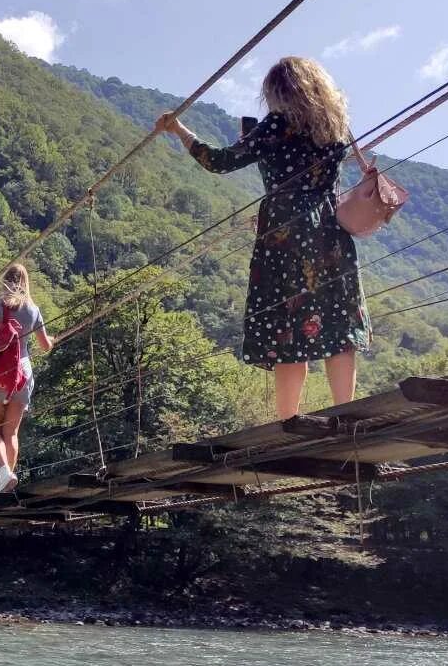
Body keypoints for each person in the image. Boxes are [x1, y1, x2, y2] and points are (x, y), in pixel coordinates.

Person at [156, 56, 370, 421]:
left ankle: (289, 420)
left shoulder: (276, 125)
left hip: (285, 235)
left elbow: (219, 161)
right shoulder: (335, 125)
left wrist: (179, 129)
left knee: (287, 331)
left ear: (278, 92)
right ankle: (345, 413)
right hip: (330, 231)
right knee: (337, 323)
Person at [0, 262, 56, 493]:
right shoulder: (34, 309)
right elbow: (44, 345)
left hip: (0, 373)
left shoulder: (1, 304)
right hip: (23, 374)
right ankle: (7, 483)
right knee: (11, 432)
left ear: (6, 280)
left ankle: (5, 474)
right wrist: (53, 340)